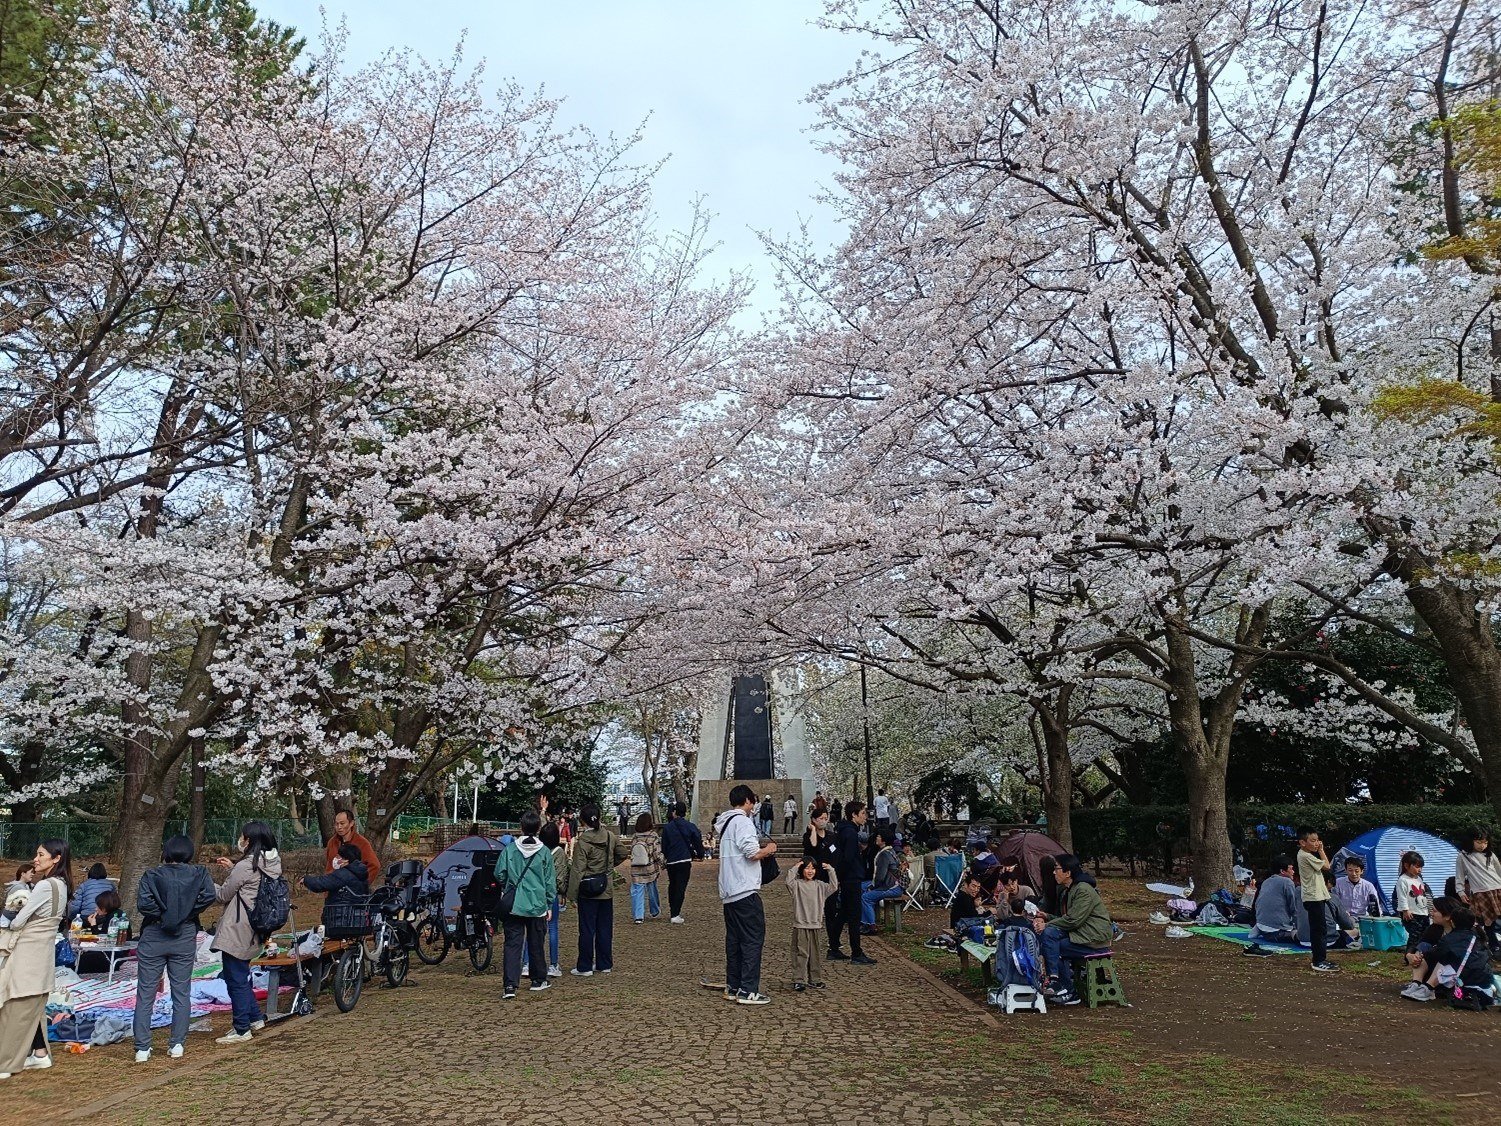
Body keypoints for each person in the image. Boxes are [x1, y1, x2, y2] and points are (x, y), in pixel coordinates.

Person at [132, 835, 217, 1063]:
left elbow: (144, 904)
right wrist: (185, 914)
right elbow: (210, 895)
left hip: (154, 935)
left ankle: (142, 1048)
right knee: (181, 992)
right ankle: (177, 1044)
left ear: (166, 852)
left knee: (146, 992)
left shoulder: (151, 874)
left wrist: (164, 916)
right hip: (184, 934)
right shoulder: (199, 873)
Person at [0, 839, 71, 1078]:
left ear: (56, 858)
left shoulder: (44, 886)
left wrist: (12, 915)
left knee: (15, 1007)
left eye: (41, 854)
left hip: (28, 952)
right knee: (34, 1007)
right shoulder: (62, 885)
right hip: (43, 953)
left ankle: (5, 1064)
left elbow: (18, 921)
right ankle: (40, 1053)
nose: (35, 858)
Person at [211, 821, 282, 1044]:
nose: (240, 841)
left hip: (238, 927)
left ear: (249, 840)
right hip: (256, 926)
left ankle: (241, 1028)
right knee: (241, 974)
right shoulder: (271, 863)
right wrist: (233, 868)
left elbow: (223, 895)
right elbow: (252, 883)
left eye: (243, 837)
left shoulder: (246, 866)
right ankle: (254, 1018)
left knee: (235, 978)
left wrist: (205, 883)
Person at [714, 784, 778, 1004]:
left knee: (734, 941)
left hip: (729, 890)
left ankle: (734, 985)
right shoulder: (743, 822)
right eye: (754, 801)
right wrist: (769, 850)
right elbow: (752, 853)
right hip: (744, 889)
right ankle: (748, 990)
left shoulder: (725, 823)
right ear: (749, 800)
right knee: (752, 939)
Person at [1032, 860, 1113, 1006]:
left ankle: (1065, 988)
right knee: (1050, 938)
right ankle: (1058, 982)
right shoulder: (1070, 889)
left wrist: (1047, 924)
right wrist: (1047, 916)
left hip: (1094, 939)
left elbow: (1074, 921)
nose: (1054, 872)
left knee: (1052, 946)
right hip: (1082, 935)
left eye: (1057, 869)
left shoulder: (1082, 890)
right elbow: (1069, 919)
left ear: (1068, 873)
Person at [495, 811, 557, 999]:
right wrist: (548, 903)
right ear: (538, 828)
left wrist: (508, 885)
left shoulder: (510, 849)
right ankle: (538, 979)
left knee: (513, 943)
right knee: (536, 942)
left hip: (514, 903)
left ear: (521, 827)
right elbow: (549, 881)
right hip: (537, 903)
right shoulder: (545, 852)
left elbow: (499, 873)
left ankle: (510, 986)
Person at [565, 802, 630, 976]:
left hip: (587, 888)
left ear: (583, 821)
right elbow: (623, 853)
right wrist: (609, 867)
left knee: (586, 929)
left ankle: (585, 966)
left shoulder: (583, 841)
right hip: (605, 887)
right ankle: (604, 963)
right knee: (605, 928)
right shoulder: (609, 836)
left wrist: (571, 895)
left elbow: (578, 869)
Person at [1401, 897, 1494, 1003]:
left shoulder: (1463, 934)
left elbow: (1441, 952)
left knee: (1442, 958)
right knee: (1423, 949)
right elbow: (1420, 944)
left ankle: (1427, 988)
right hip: (1452, 971)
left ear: (1448, 916)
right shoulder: (1435, 929)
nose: (1431, 913)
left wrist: (1424, 955)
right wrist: (1410, 955)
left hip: (1463, 973)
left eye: (1435, 911)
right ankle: (1416, 984)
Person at [828, 800, 876, 966]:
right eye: (862, 813)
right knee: (854, 916)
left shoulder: (845, 830)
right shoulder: (849, 833)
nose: (865, 817)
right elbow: (847, 858)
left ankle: (833, 947)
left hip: (848, 877)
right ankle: (856, 952)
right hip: (851, 878)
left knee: (844, 913)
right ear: (854, 815)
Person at [521, 820, 566, 979]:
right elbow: (560, 878)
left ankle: (526, 963)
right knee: (552, 928)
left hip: (533, 893)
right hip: (550, 894)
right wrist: (562, 893)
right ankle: (553, 964)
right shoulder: (559, 853)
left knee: (531, 929)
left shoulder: (536, 850)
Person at [786, 858, 837, 991]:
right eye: (807, 868)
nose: (810, 871)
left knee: (815, 954)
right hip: (801, 924)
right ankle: (799, 979)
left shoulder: (820, 885)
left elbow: (834, 886)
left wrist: (831, 870)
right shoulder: (797, 885)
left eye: (812, 868)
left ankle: (815, 979)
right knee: (801, 953)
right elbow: (788, 882)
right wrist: (795, 867)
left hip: (815, 924)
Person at [1295, 828, 1337, 973]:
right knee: (1318, 929)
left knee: (1320, 928)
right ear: (1302, 842)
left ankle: (1321, 958)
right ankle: (1318, 960)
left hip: (1317, 895)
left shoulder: (1305, 855)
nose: (1316, 843)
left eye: (1317, 840)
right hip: (1313, 897)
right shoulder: (1305, 856)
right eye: (1312, 841)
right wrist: (1321, 850)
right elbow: (1327, 866)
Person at [1455, 826, 1501, 954]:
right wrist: (1460, 891)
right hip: (1481, 892)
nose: (1482, 845)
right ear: (1471, 840)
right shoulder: (1463, 856)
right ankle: (1494, 946)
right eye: (1479, 842)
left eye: (1485, 842)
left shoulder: (1490, 854)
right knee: (1488, 922)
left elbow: (1499, 871)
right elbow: (1459, 876)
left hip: (1498, 888)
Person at [660, 802, 705, 924]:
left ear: (674, 812)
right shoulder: (690, 826)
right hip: (684, 859)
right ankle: (675, 913)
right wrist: (700, 854)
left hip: (671, 861)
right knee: (680, 886)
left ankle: (673, 910)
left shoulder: (668, 828)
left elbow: (664, 847)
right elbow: (697, 840)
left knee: (672, 885)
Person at [1243, 857, 1300, 954]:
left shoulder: (1266, 881)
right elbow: (1293, 907)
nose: (1293, 872)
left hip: (1261, 927)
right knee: (1308, 936)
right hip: (1276, 931)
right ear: (1282, 871)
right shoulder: (1287, 882)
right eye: (1291, 869)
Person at [302, 843, 370, 917]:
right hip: (358, 916)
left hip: (341, 916)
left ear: (346, 859)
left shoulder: (343, 874)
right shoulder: (360, 873)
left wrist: (305, 879)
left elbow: (320, 884)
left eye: (338, 856)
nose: (335, 859)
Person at [861, 826, 905, 930]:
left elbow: (880, 877)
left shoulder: (884, 854)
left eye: (879, 836)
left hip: (890, 886)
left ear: (884, 840)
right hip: (891, 883)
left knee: (866, 898)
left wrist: (873, 887)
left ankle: (870, 924)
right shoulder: (891, 851)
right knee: (861, 886)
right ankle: (863, 919)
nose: (876, 838)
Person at [1394, 850, 1435, 952]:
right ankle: (1409, 955)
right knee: (1415, 935)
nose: (1420, 869)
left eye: (1421, 867)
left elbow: (1423, 894)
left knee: (1425, 933)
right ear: (1407, 866)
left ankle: (1421, 953)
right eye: (1417, 867)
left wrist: (1429, 909)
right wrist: (1405, 910)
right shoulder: (1403, 880)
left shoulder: (1419, 879)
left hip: (1422, 911)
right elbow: (1401, 896)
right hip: (1411, 913)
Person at [325, 809, 380, 882]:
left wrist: (361, 885)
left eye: (342, 823)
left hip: (352, 889)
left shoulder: (361, 842)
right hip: (333, 887)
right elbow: (329, 866)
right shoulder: (332, 842)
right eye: (336, 824)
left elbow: (375, 865)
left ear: (351, 823)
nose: (339, 827)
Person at [628, 812, 664, 924]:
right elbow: (657, 853)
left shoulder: (635, 836)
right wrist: (662, 863)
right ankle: (654, 910)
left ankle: (638, 916)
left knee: (637, 891)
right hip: (650, 868)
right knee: (652, 889)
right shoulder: (653, 835)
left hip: (636, 868)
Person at [1332, 856, 1380, 924]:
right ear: (1346, 870)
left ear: (1362, 871)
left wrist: (1378, 918)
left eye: (1356, 871)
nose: (1353, 874)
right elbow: (1334, 901)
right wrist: (1342, 912)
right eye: (1350, 870)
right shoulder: (1338, 883)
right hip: (1342, 917)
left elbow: (1376, 903)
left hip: (1362, 918)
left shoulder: (1368, 886)